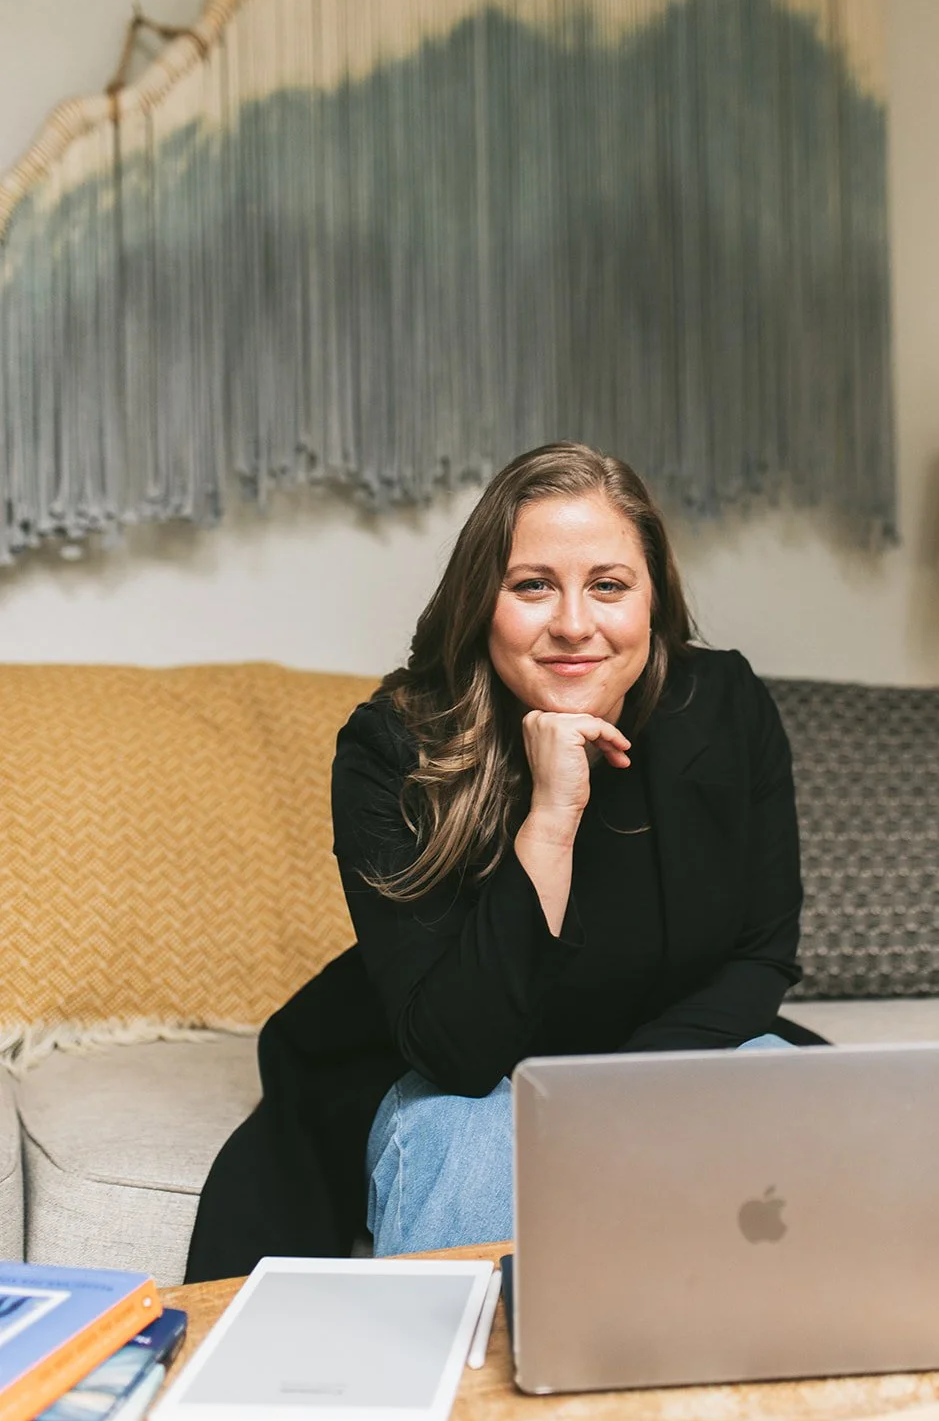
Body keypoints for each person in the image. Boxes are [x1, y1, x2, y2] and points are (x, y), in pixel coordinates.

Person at [185, 443, 815, 1280]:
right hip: (447, 1054)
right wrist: (552, 815)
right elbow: (460, 1049)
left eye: (608, 585)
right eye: (531, 586)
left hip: (647, 1039)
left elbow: (759, 954)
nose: (573, 624)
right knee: (477, 1140)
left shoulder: (723, 702)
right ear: (481, 600)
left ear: (653, 601)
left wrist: (607, 1103)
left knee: (795, 1101)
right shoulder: (391, 747)